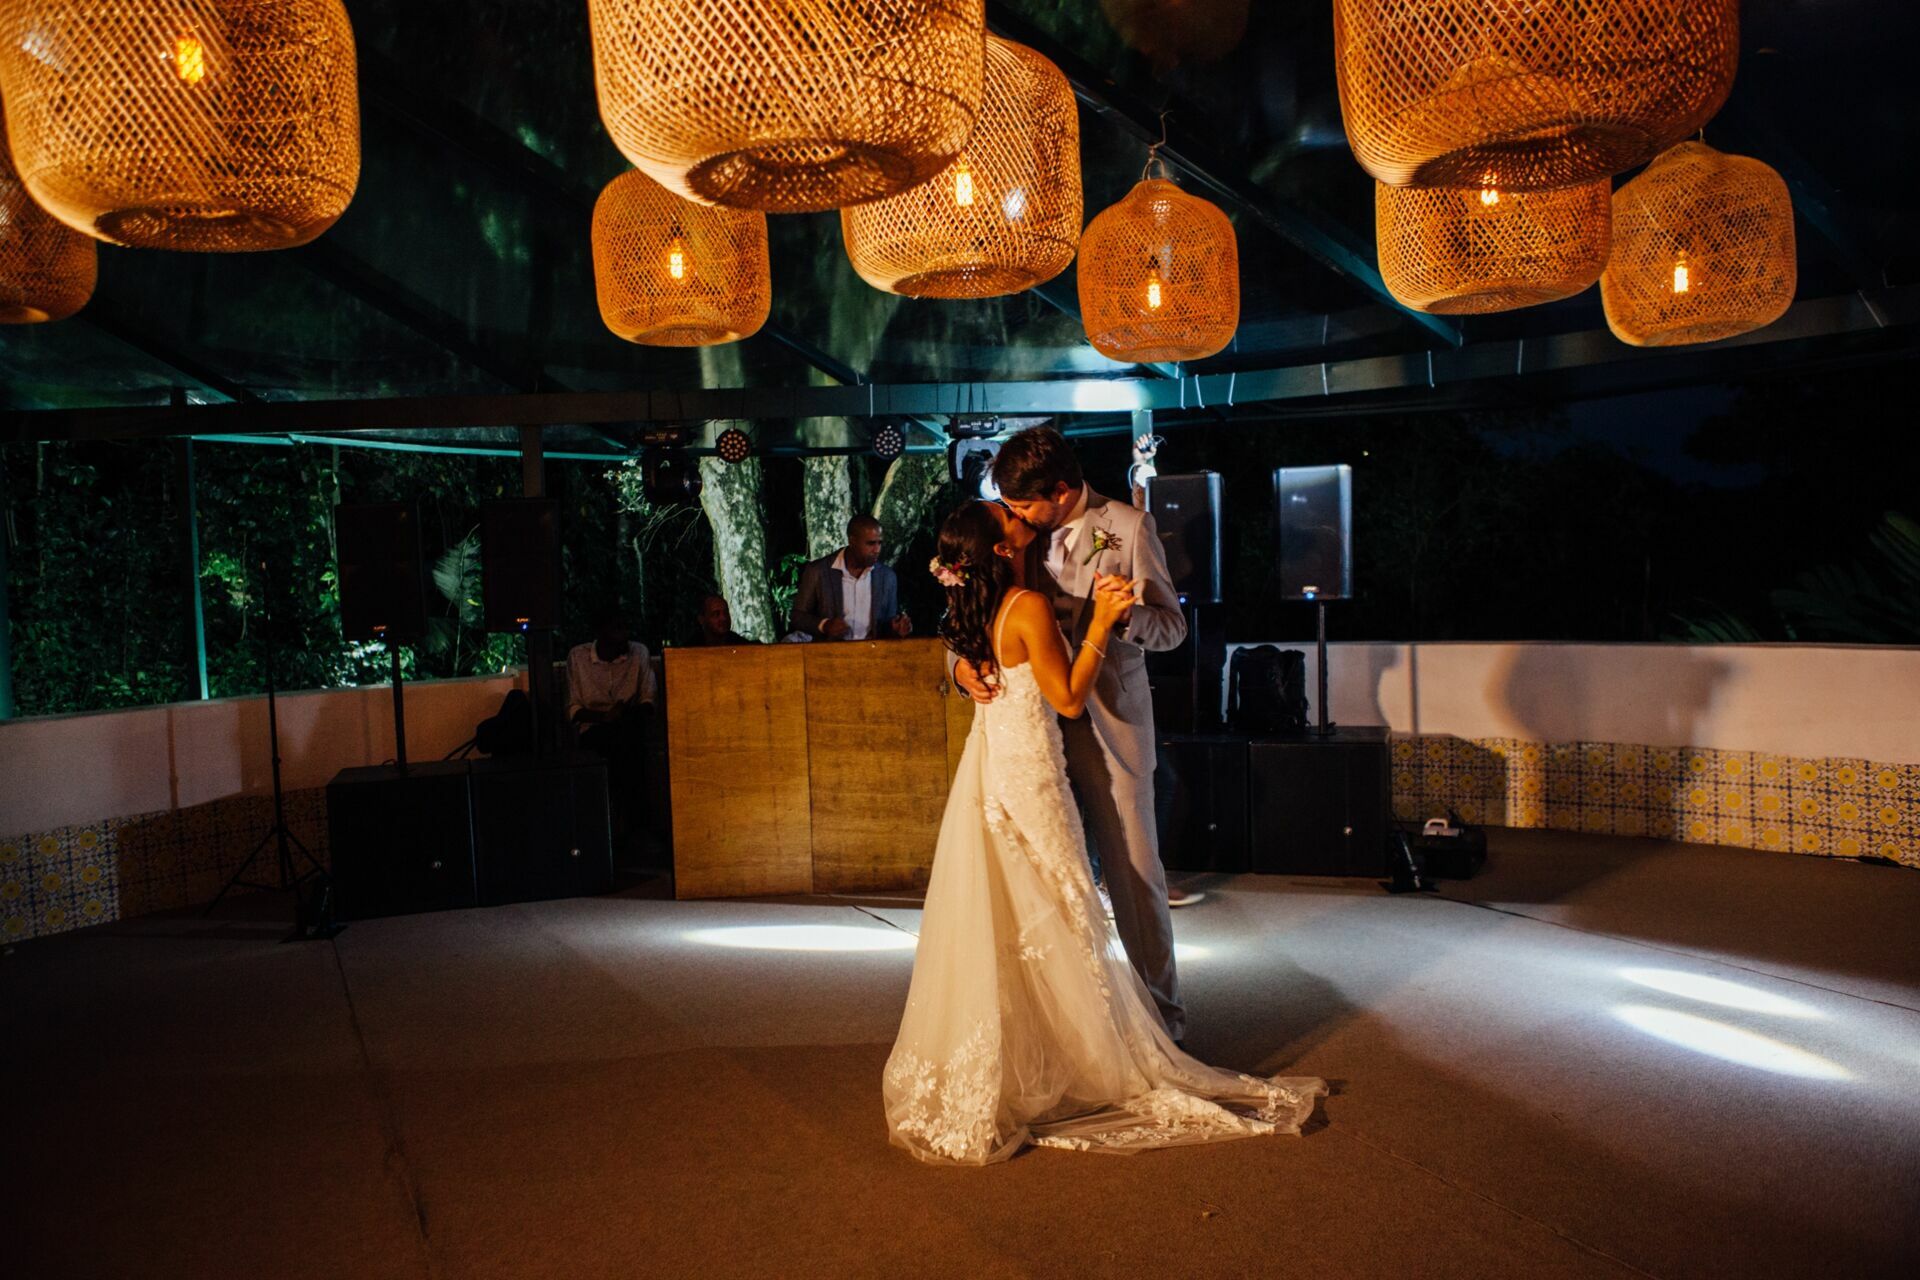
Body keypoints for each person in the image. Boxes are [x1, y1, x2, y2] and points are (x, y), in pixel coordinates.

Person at [883, 500, 1324, 1164]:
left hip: (995, 770)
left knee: (1019, 913)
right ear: (1000, 549)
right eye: (1005, 513)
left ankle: (1040, 1056)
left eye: (1017, 502)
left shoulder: (992, 600)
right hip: (1032, 771)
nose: (1015, 512)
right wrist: (1099, 623)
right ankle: (1090, 1057)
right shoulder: (1027, 603)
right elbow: (1064, 697)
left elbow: (980, 651)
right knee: (1060, 905)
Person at [952, 425, 1190, 1038]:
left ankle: (1161, 1023)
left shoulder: (1128, 527)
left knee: (1134, 873)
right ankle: (1066, 1027)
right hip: (1032, 732)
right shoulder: (1011, 532)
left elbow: (1173, 628)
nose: (1012, 514)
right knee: (1043, 877)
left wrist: (1123, 617)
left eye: (1022, 504)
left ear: (1060, 492)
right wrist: (956, 666)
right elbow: (970, 604)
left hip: (1110, 724)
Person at [566, 610, 656, 841]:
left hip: (629, 724)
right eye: (618, 629)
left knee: (627, 742)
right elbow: (573, 709)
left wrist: (624, 713)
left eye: (626, 629)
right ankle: (626, 828)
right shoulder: (578, 657)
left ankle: (630, 829)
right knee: (615, 747)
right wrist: (604, 717)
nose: (624, 635)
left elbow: (648, 700)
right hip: (595, 727)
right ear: (602, 633)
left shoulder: (638, 653)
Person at [791, 515, 912, 641]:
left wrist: (896, 628)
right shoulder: (819, 571)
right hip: (830, 655)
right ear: (852, 541)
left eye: (879, 543)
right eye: (871, 543)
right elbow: (797, 616)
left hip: (872, 655)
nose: (877, 550)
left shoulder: (887, 577)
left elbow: (885, 627)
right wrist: (825, 625)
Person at [687, 593, 752, 647]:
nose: (724, 618)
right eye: (716, 614)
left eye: (726, 613)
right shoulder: (690, 650)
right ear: (702, 620)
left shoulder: (741, 645)